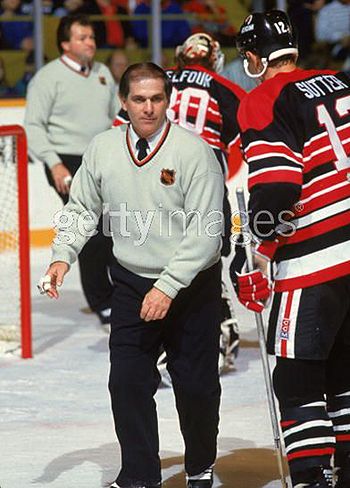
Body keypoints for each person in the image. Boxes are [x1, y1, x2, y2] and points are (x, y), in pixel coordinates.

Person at [38, 62, 224, 488]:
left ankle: (200, 465)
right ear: (123, 102)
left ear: (168, 100)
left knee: (195, 388)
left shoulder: (194, 153)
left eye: (157, 98)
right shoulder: (102, 148)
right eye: (139, 99)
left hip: (190, 287)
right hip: (130, 283)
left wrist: (168, 286)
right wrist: (62, 255)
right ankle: (140, 474)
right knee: (126, 382)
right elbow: (82, 208)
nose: (148, 108)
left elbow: (207, 235)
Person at [232, 9, 350, 488]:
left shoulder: (263, 99)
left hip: (315, 258)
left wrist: (255, 251)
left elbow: (278, 188)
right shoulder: (340, 82)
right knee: (343, 371)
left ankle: (312, 478)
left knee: (298, 377)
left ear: (257, 57)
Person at [25, 14, 120, 325]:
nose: (90, 42)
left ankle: (120, 291)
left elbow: (117, 117)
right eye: (82, 38)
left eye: (92, 37)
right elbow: (34, 126)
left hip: (103, 156)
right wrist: (54, 163)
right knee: (90, 229)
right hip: (66, 160)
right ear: (65, 44)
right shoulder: (47, 77)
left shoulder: (104, 73)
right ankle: (102, 301)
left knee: (115, 227)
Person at [165, 32, 246, 371]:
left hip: (162, 181)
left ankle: (164, 339)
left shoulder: (157, 79)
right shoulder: (224, 87)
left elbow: (121, 127)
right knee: (210, 257)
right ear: (213, 59)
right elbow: (249, 127)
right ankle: (219, 320)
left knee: (163, 255)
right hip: (207, 182)